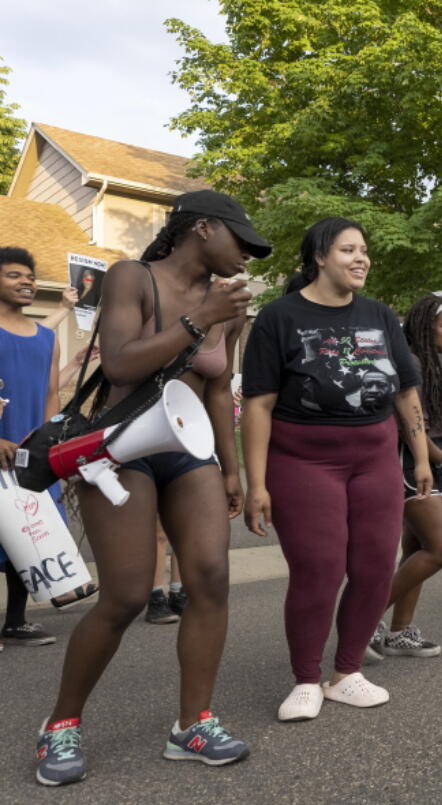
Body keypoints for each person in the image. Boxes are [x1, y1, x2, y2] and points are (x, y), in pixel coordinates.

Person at [35, 191, 266, 786]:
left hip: (190, 455)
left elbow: (218, 390)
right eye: (240, 243)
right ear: (204, 229)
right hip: (119, 452)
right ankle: (60, 725)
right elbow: (118, 365)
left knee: (211, 578)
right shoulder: (132, 277)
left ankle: (194, 724)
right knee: (127, 596)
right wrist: (200, 318)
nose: (247, 258)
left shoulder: (230, 307)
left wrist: (231, 469)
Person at [242, 217, 432, 722]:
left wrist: (419, 454)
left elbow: (405, 391)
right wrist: (255, 483)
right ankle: (306, 678)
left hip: (375, 458)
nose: (361, 258)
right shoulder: (278, 317)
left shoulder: (380, 316)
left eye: (364, 250)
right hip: (303, 460)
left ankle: (346, 672)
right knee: (319, 570)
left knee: (373, 567)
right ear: (320, 257)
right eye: (348, 249)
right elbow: (258, 405)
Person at [369, 292, 442, 663]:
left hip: (427, 464)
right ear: (424, 325)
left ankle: (400, 631)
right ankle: (363, 622)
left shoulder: (432, 362)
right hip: (411, 465)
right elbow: (408, 425)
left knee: (415, 549)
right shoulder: (409, 359)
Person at [0, 246, 61, 649]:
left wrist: (48, 445)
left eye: (30, 276)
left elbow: (52, 394)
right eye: (14, 275)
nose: (27, 282)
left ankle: (17, 621)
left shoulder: (47, 337)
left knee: (27, 534)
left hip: (30, 453)